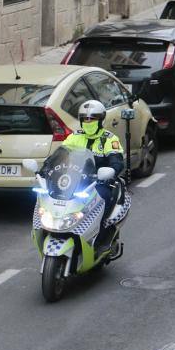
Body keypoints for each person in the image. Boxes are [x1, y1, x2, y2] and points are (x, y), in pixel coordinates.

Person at [61, 100, 125, 247]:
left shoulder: (109, 139)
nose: (88, 121)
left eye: (92, 118)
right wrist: (45, 169)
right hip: (76, 182)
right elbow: (61, 156)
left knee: (101, 201)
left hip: (99, 183)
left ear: (100, 120)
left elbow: (117, 161)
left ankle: (101, 237)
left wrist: (111, 171)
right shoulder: (74, 137)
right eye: (85, 119)